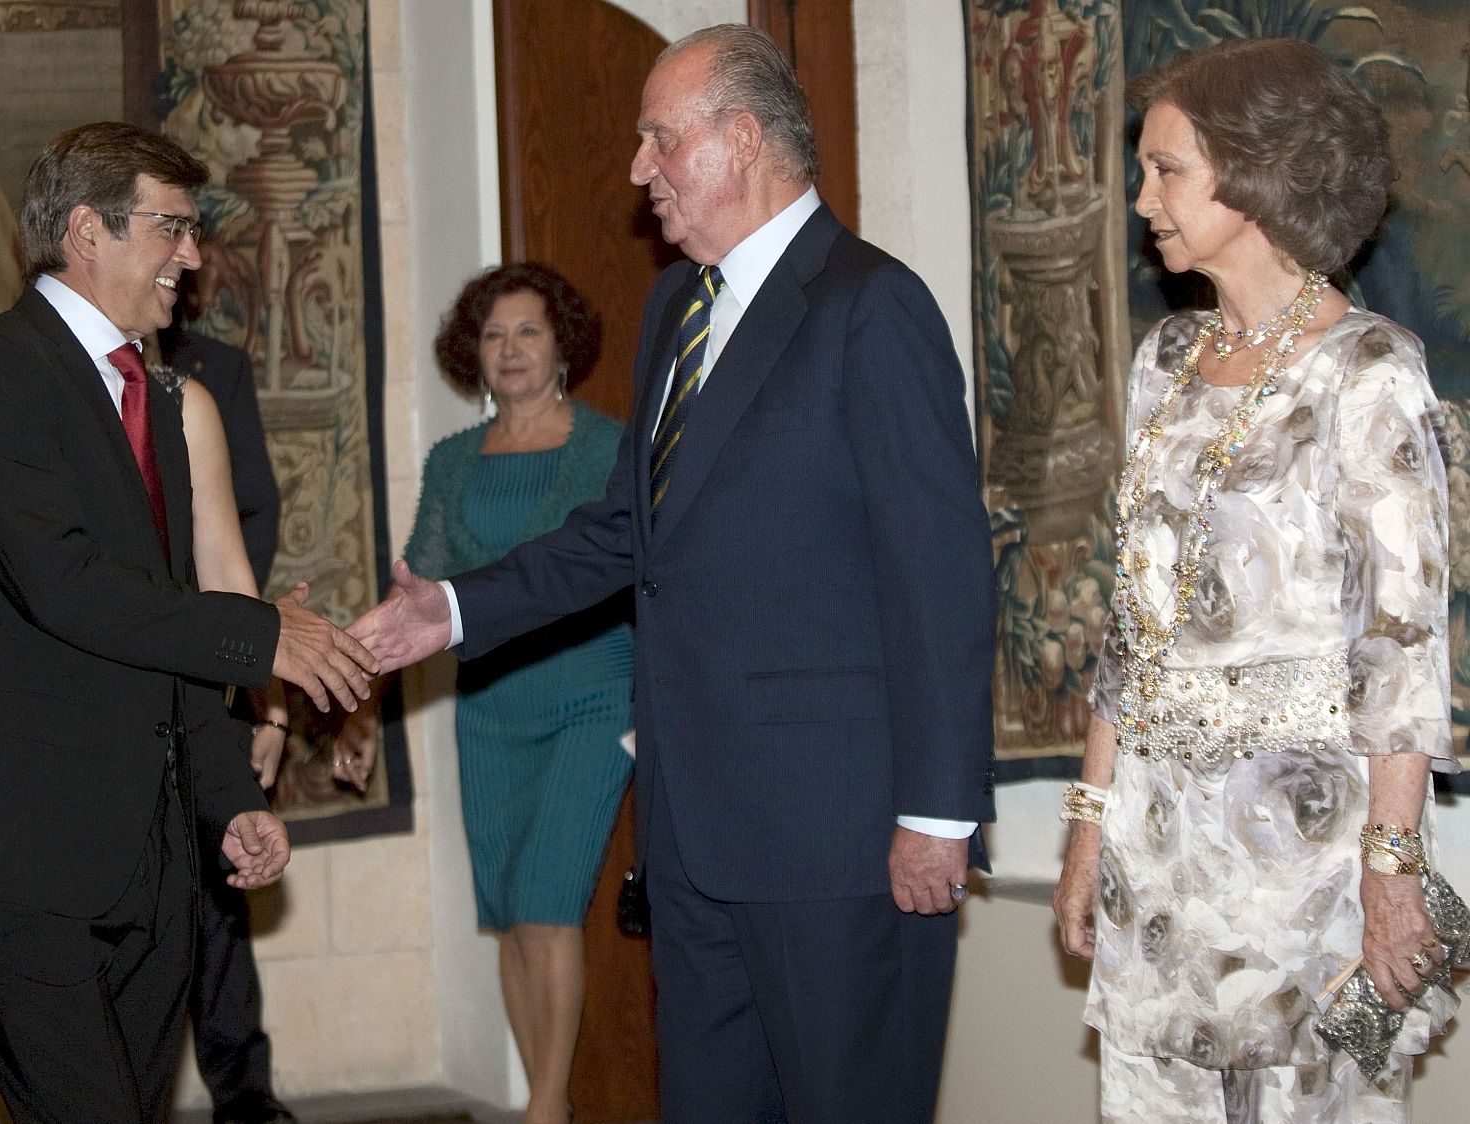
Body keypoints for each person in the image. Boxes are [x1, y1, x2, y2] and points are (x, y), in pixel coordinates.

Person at [351, 24, 996, 1124]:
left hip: (836, 838)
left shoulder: (867, 307)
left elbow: (939, 571)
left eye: (659, 140)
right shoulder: (674, 309)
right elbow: (626, 533)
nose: (638, 170)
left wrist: (939, 810)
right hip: (695, 830)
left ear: (739, 139)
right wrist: (454, 607)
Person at [0, 121, 376, 1124]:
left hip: (147, 853)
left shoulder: (156, 398)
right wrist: (263, 634)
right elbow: (67, 586)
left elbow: (160, 629)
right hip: (18, 844)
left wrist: (224, 797)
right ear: (88, 231)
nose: (192, 257)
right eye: (172, 229)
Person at [1051, 38, 1460, 1122]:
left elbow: (1401, 649)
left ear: (1259, 171)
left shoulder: (1367, 372)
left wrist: (1389, 869)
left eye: (1165, 169)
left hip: (1299, 859)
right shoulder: (1166, 361)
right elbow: (1131, 623)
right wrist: (1090, 819)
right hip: (1155, 854)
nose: (1141, 199)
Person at [405, 262, 634, 1124]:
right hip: (490, 704)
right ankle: (553, 1100)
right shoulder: (453, 461)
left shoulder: (609, 447)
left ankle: (544, 1107)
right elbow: (422, 588)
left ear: (562, 345)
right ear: (474, 351)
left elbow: (606, 569)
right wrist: (354, 691)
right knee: (509, 907)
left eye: (528, 331)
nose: (510, 350)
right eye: (494, 335)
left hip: (592, 694)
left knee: (548, 896)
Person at [159, 323, 298, 1124]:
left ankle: (243, 1091)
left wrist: (260, 681)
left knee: (224, 871)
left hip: (209, 656)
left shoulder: (211, 371)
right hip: (99, 679)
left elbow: (250, 512)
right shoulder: (30, 369)